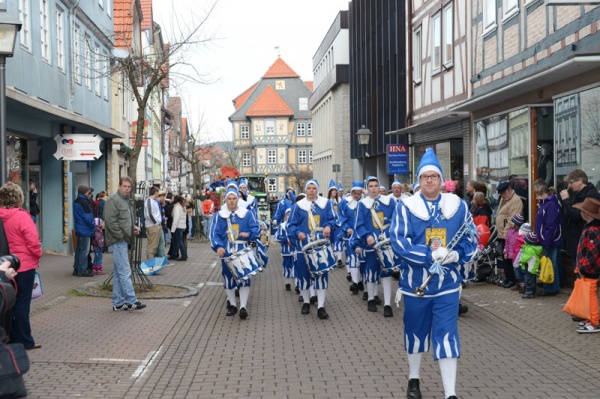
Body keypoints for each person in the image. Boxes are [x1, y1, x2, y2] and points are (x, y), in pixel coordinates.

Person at [389, 148, 478, 399]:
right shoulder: (407, 207)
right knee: (415, 332)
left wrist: (456, 255)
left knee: (447, 334)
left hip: (448, 285)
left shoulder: (457, 206)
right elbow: (398, 242)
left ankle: (450, 393)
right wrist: (428, 255)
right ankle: (413, 379)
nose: (430, 180)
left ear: (441, 180)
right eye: (425, 176)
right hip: (416, 284)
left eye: (434, 176)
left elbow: (471, 240)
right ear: (419, 180)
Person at [0, 182, 43, 349]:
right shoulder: (22, 216)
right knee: (22, 303)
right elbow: (32, 241)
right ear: (18, 198)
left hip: (4, 265)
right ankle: (25, 340)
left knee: (7, 302)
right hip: (24, 265)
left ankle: (8, 337)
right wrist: (38, 254)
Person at [286, 179, 337, 320]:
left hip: (320, 244)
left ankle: (321, 306)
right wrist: (297, 234)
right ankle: (306, 302)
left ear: (317, 189)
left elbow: (334, 220)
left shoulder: (326, 204)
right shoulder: (298, 206)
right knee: (303, 275)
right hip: (303, 245)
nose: (312, 190)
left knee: (321, 274)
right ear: (306, 189)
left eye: (314, 188)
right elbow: (291, 225)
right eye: (309, 188)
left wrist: (328, 226)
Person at [209, 187, 261, 319]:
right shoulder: (219, 216)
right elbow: (214, 234)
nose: (232, 201)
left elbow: (256, 229)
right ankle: (232, 305)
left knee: (245, 277)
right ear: (225, 200)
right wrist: (218, 247)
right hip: (227, 251)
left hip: (243, 249)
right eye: (229, 199)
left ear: (238, 199)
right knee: (228, 278)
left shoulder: (247, 214)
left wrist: (249, 234)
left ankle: (243, 306)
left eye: (234, 199)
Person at [355, 175, 397, 317]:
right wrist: (367, 236)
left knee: (387, 272)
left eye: (376, 186)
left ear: (380, 187)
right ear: (367, 189)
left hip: (386, 243)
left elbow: (397, 220)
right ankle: (371, 299)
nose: (373, 189)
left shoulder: (389, 202)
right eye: (371, 186)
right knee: (371, 272)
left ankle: (387, 304)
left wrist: (390, 233)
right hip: (370, 244)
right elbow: (359, 225)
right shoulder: (362, 204)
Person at [103, 176, 146, 311]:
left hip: (122, 240)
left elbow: (123, 221)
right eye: (125, 186)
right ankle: (131, 300)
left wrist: (133, 228)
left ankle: (118, 302)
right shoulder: (114, 201)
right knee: (125, 271)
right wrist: (122, 235)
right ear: (119, 186)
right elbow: (110, 222)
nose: (127, 189)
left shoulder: (126, 201)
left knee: (118, 272)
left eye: (129, 187)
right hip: (118, 241)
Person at [559, 169, 600, 271]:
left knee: (581, 270)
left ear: (580, 181)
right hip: (576, 238)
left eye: (571, 182)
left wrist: (566, 200)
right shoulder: (578, 193)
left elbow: (577, 215)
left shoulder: (590, 195)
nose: (569, 185)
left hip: (583, 238)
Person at [571, 197, 600, 333]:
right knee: (589, 295)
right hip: (589, 268)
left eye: (582, 211)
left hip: (590, 269)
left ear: (586, 214)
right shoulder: (591, 227)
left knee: (591, 295)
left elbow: (592, 253)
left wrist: (584, 267)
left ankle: (594, 321)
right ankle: (590, 319)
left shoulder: (593, 230)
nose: (580, 213)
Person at [533, 179, 562, 296]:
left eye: (537, 195)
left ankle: (551, 287)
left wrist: (546, 241)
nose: (536, 199)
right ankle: (550, 285)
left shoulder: (551, 205)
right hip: (548, 239)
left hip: (550, 240)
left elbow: (551, 225)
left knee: (550, 263)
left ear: (542, 193)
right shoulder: (547, 204)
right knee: (549, 263)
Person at [494, 180, 523, 289]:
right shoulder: (504, 199)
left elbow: (513, 219)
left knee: (510, 257)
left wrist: (506, 234)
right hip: (502, 233)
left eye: (503, 192)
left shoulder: (516, 200)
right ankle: (509, 278)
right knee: (505, 257)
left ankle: (512, 279)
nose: (501, 195)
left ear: (509, 190)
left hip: (509, 234)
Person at [338, 181, 364, 292]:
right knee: (352, 257)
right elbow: (341, 217)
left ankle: (362, 280)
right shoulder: (345, 203)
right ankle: (355, 281)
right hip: (350, 235)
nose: (356, 195)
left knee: (362, 258)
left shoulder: (364, 203)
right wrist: (347, 228)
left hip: (362, 234)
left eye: (359, 193)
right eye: (355, 193)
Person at [73, 185, 95, 277]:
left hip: (79, 228)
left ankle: (77, 268)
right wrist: (94, 224)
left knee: (79, 249)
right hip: (85, 229)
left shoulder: (76, 201)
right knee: (84, 251)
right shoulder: (84, 203)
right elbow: (87, 217)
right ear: (86, 192)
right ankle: (82, 270)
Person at [502, 214, 525, 289]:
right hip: (509, 253)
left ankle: (518, 283)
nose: (511, 223)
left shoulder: (520, 233)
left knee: (517, 270)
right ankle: (512, 280)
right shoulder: (510, 231)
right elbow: (507, 242)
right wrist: (505, 251)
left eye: (513, 222)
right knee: (511, 269)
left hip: (516, 255)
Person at [275, 208, 295, 291]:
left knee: (296, 267)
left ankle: (297, 284)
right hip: (286, 251)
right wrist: (287, 240)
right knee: (287, 266)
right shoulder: (282, 226)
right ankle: (287, 282)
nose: (289, 216)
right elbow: (278, 237)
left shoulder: (295, 225)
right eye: (287, 214)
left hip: (296, 251)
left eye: (291, 214)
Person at [520, 232, 542, 299]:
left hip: (530, 267)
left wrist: (520, 260)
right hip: (531, 266)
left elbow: (525, 257)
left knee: (528, 280)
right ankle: (533, 291)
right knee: (532, 279)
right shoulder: (530, 248)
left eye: (525, 240)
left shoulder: (530, 249)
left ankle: (529, 293)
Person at [144, 187, 164, 260]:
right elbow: (149, 214)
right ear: (155, 192)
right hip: (153, 226)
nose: (158, 194)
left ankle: (151, 263)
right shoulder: (149, 201)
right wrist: (155, 223)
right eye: (158, 192)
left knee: (154, 246)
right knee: (152, 246)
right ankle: (150, 264)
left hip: (154, 225)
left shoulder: (152, 201)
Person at [170, 196, 188, 261]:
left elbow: (176, 218)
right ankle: (174, 254)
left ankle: (183, 255)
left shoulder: (177, 207)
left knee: (179, 241)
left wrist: (173, 229)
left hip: (177, 226)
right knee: (176, 241)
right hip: (182, 226)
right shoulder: (182, 207)